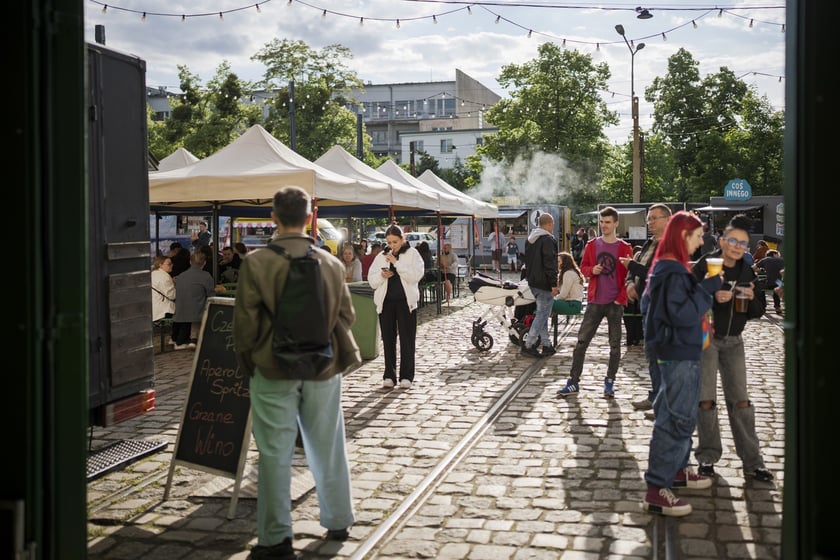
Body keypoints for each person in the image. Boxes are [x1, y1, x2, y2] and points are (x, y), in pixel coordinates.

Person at [232, 186, 360, 559]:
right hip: (323, 366)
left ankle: (275, 538)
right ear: (309, 218)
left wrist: (251, 361)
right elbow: (347, 316)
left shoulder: (256, 263)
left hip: (272, 367)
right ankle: (338, 518)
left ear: (273, 217)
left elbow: (244, 326)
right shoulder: (331, 264)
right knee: (328, 444)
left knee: (274, 453)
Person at [640, 210, 720, 517]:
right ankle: (657, 489)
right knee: (675, 418)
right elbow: (682, 314)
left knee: (679, 414)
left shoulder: (669, 267)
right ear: (683, 235)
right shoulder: (672, 270)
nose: (700, 243)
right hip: (678, 352)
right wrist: (707, 291)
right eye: (697, 236)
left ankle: (675, 471)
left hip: (679, 350)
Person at [691, 214, 773, 483]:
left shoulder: (747, 270)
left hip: (734, 340)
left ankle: (753, 462)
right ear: (723, 240)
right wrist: (712, 295)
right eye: (733, 241)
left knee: (741, 401)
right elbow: (688, 299)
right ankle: (707, 457)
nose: (737, 247)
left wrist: (751, 298)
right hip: (707, 338)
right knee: (706, 399)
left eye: (743, 243)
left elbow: (758, 311)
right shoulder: (706, 264)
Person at [558, 206, 634, 398]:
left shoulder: (625, 248)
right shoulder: (592, 245)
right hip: (595, 301)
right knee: (581, 342)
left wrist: (620, 299)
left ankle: (610, 381)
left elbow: (630, 276)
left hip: (615, 303)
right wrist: (592, 270)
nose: (604, 225)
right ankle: (573, 381)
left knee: (615, 345)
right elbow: (582, 268)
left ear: (616, 223)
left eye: (607, 222)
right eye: (601, 222)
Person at [619, 203, 672, 411]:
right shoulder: (649, 243)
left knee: (662, 355)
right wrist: (629, 283)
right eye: (649, 218)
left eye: (655, 218)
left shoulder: (670, 245)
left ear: (668, 220)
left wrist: (631, 265)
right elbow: (635, 269)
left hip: (662, 306)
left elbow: (655, 272)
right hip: (645, 302)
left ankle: (664, 402)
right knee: (651, 354)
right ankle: (655, 397)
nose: (650, 222)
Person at [368, 224, 425, 389]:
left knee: (407, 340)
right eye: (389, 242)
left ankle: (406, 376)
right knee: (388, 340)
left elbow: (415, 276)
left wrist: (397, 263)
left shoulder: (413, 254)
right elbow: (372, 281)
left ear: (402, 239)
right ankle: (389, 375)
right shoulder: (381, 256)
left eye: (395, 242)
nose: (392, 245)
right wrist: (382, 275)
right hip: (386, 303)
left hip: (406, 302)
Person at [520, 212, 559, 358]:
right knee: (542, 315)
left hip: (533, 281)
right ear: (549, 224)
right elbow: (550, 263)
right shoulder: (548, 240)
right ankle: (528, 344)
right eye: (552, 224)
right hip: (544, 283)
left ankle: (547, 344)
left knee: (542, 313)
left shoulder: (530, 239)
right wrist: (554, 284)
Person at [171, 252, 224, 350]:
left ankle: (193, 339)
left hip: (180, 310)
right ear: (204, 263)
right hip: (197, 311)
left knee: (197, 304)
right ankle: (198, 339)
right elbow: (211, 294)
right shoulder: (206, 276)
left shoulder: (181, 276)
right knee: (205, 306)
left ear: (190, 262)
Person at [756, 249, 784, 314]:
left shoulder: (765, 260)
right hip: (779, 283)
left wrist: (761, 270)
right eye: (778, 254)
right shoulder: (782, 260)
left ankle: (763, 306)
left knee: (760, 287)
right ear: (774, 254)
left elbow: (754, 268)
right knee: (777, 287)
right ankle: (777, 307)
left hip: (768, 282)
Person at [151, 255, 176, 322]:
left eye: (172, 263)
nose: (172, 265)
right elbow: (172, 295)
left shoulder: (153, 273)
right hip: (164, 310)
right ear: (160, 265)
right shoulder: (165, 277)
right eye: (169, 264)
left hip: (155, 309)